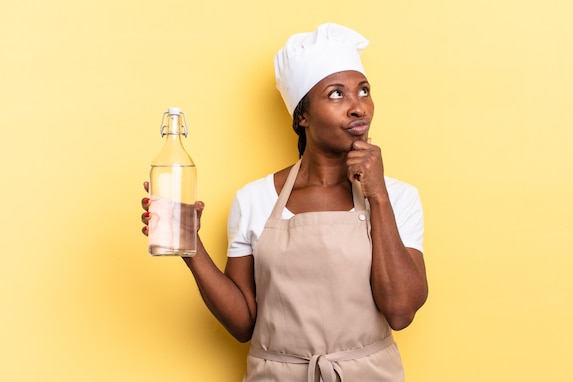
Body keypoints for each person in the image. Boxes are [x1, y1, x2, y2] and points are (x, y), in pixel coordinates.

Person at [141, 23, 428, 382]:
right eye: (336, 94)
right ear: (302, 116)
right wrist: (190, 245)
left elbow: (401, 312)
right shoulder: (254, 199)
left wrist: (378, 197)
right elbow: (244, 322)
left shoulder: (399, 197)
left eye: (364, 91)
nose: (358, 107)